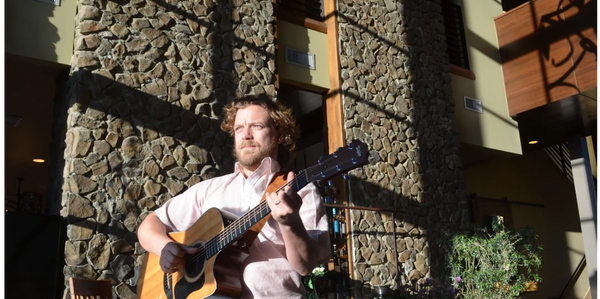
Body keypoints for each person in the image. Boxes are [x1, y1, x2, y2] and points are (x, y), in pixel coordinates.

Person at [137, 93, 331, 298]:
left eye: (256, 126)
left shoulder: (301, 191)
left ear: (279, 134)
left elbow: (305, 266)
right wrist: (165, 247)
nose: (246, 134)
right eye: (239, 128)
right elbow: (150, 224)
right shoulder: (209, 189)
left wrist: (290, 222)